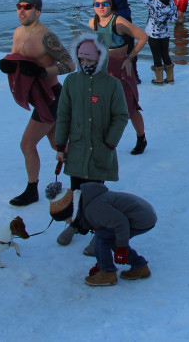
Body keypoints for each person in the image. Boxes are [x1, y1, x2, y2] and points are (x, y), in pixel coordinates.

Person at [0, 0, 75, 206]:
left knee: (27, 144)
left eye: (28, 6)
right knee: (56, 144)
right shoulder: (17, 33)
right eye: (19, 6)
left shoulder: (46, 36)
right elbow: (18, 61)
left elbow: (70, 64)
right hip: (38, 97)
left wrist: (43, 72)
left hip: (51, 97)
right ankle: (85, 175)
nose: (22, 10)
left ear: (38, 11)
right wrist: (8, 65)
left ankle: (32, 189)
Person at [53, 34, 130, 249]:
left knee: (96, 194)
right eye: (82, 60)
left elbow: (121, 115)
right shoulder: (71, 82)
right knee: (77, 191)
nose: (86, 64)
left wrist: (109, 142)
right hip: (77, 148)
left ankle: (100, 231)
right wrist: (60, 145)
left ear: (100, 59)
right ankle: (77, 224)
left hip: (100, 149)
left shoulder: (112, 85)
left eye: (90, 60)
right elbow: (64, 114)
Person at [50, 182, 156, 286]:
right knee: (107, 236)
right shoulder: (87, 201)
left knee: (103, 237)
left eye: (65, 219)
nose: (67, 222)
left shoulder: (93, 208)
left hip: (142, 218)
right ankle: (139, 267)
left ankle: (107, 273)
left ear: (71, 211)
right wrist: (102, 260)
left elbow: (120, 223)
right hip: (141, 214)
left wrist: (122, 248)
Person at [89, 0, 150, 155]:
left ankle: (141, 138)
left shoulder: (119, 22)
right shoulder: (92, 23)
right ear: (93, 6)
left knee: (130, 107)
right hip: (104, 70)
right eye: (97, 4)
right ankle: (104, 141)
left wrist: (129, 58)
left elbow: (143, 36)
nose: (101, 7)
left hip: (121, 69)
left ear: (110, 4)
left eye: (105, 3)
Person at [138, 0, 178, 85]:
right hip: (165, 33)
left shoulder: (152, 3)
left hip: (152, 33)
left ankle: (159, 79)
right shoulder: (172, 3)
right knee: (165, 54)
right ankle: (170, 77)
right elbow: (174, 19)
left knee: (156, 55)